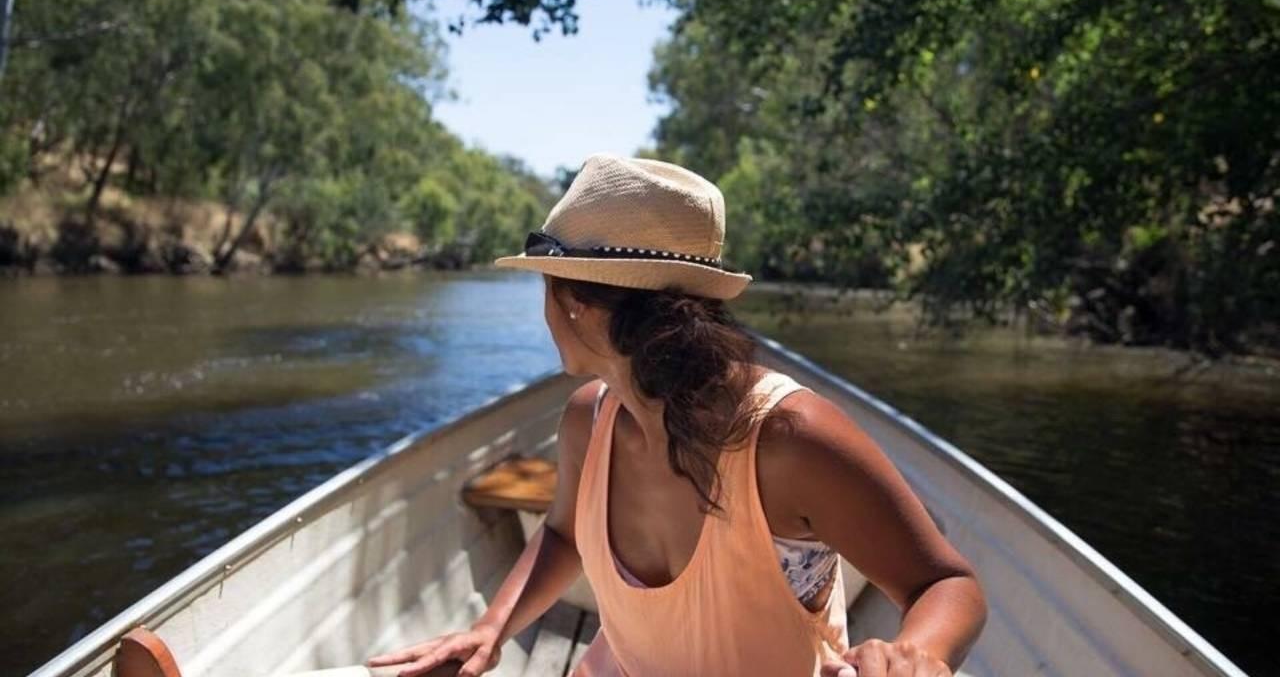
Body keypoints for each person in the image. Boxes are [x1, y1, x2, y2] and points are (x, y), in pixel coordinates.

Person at [368, 154, 987, 677]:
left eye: (547, 286)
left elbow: (945, 583)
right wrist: (490, 629)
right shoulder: (589, 419)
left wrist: (915, 654)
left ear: (576, 302)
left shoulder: (788, 437)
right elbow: (563, 535)